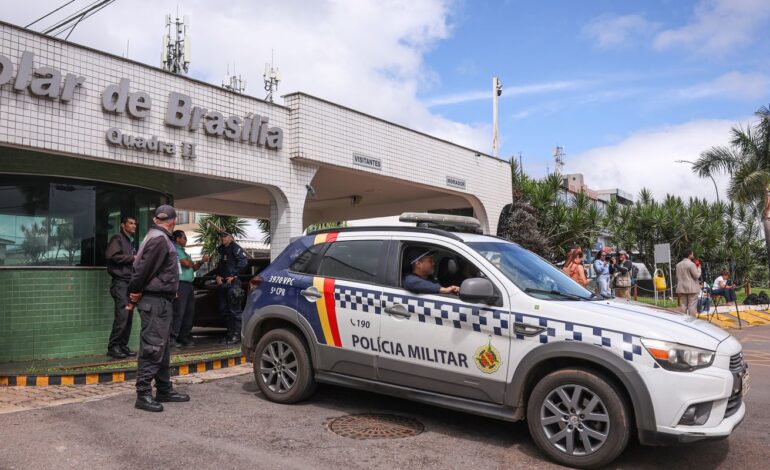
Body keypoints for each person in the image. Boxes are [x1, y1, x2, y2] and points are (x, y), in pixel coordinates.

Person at [127, 205, 189, 412]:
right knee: (152, 347)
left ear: (155, 220)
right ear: (174, 221)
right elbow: (142, 269)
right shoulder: (160, 239)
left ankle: (163, 389)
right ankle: (143, 394)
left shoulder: (155, 236)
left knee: (162, 347)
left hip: (161, 300)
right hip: (155, 301)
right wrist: (135, 291)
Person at [105, 215, 137, 359]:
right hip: (120, 283)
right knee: (122, 316)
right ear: (123, 225)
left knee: (128, 317)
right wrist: (132, 258)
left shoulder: (130, 241)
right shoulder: (117, 238)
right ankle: (113, 347)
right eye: (130, 223)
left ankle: (123, 346)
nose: (133, 225)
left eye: (134, 223)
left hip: (129, 283)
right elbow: (111, 256)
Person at [170, 230, 209, 348]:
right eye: (184, 238)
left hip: (188, 285)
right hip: (180, 284)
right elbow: (186, 264)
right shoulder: (175, 249)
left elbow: (193, 267)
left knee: (189, 312)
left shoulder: (184, 252)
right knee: (179, 312)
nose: (186, 240)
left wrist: (201, 262)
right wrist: (191, 262)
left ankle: (183, 336)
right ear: (177, 239)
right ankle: (173, 338)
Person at [216, 230, 249, 345]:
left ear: (231, 237)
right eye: (221, 236)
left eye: (225, 236)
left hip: (233, 284)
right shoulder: (221, 249)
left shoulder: (235, 248)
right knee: (225, 311)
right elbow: (220, 265)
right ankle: (230, 335)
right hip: (223, 284)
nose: (223, 238)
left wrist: (234, 275)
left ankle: (237, 336)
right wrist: (218, 276)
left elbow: (244, 262)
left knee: (235, 311)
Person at [675, 249, 701, 317]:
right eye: (692, 254)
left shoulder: (678, 265)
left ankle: (682, 320)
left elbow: (677, 276)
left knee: (683, 305)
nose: (693, 255)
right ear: (689, 255)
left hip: (681, 288)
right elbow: (696, 276)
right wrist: (699, 269)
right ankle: (691, 320)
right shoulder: (691, 264)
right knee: (692, 306)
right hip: (692, 288)